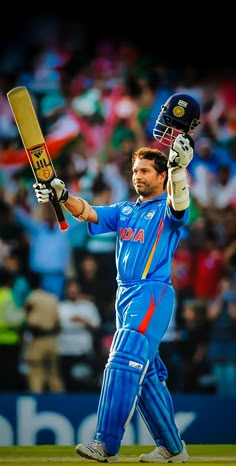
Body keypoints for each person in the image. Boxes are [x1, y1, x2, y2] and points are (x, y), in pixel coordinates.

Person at [32, 93, 201, 463]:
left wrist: (178, 171)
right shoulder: (126, 209)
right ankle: (174, 448)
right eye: (134, 170)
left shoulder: (167, 208)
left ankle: (104, 443)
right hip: (125, 296)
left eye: (144, 171)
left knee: (123, 360)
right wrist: (61, 194)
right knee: (148, 378)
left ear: (159, 176)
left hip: (152, 294)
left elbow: (181, 204)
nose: (136, 175)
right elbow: (88, 212)